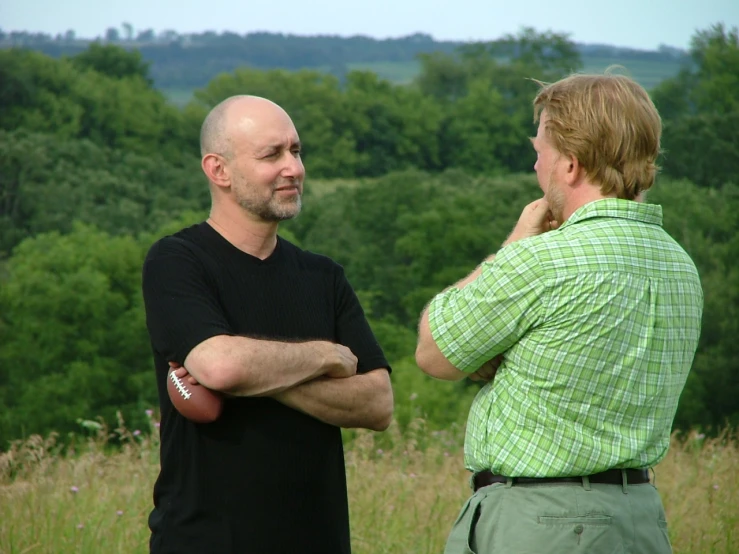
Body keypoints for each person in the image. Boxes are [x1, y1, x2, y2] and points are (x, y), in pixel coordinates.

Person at [415, 73, 703, 553]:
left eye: (540, 151)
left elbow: (436, 353)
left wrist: (515, 242)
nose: (535, 164)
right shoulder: (679, 264)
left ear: (570, 165)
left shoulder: (545, 261)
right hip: (641, 519)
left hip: (543, 523)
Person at [142, 95, 393, 554]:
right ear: (218, 170)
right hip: (203, 541)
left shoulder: (323, 276)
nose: (293, 168)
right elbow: (220, 367)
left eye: (296, 151)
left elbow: (377, 403)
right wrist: (326, 356)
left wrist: (255, 377)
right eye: (271, 155)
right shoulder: (177, 261)